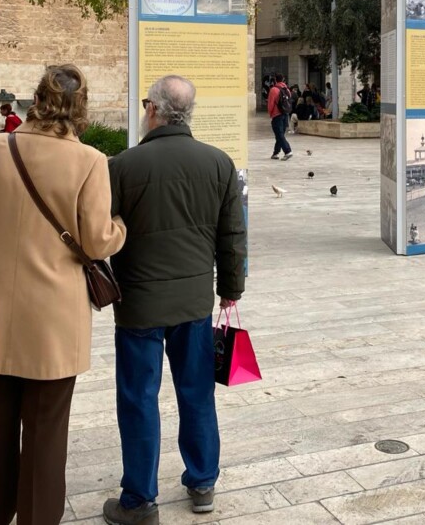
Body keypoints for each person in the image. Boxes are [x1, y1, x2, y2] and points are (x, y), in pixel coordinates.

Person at [0, 65, 126, 525]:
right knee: (46, 434)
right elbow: (98, 241)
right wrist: (120, 229)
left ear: (36, 99)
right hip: (53, 317)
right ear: (81, 107)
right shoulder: (90, 162)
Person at [102, 75, 246, 525]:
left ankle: (140, 499)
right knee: (197, 392)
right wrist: (231, 289)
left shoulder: (122, 166)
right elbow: (233, 235)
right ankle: (203, 481)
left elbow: (101, 233)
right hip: (194, 304)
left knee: (138, 398)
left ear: (153, 110)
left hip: (139, 305)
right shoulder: (219, 164)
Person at [267, 74, 292, 160]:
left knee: (279, 134)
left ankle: (288, 151)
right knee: (280, 135)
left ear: (275, 80)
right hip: (285, 114)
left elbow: (270, 104)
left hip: (277, 115)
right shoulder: (287, 89)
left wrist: (270, 113)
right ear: (283, 79)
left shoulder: (274, 90)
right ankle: (275, 153)